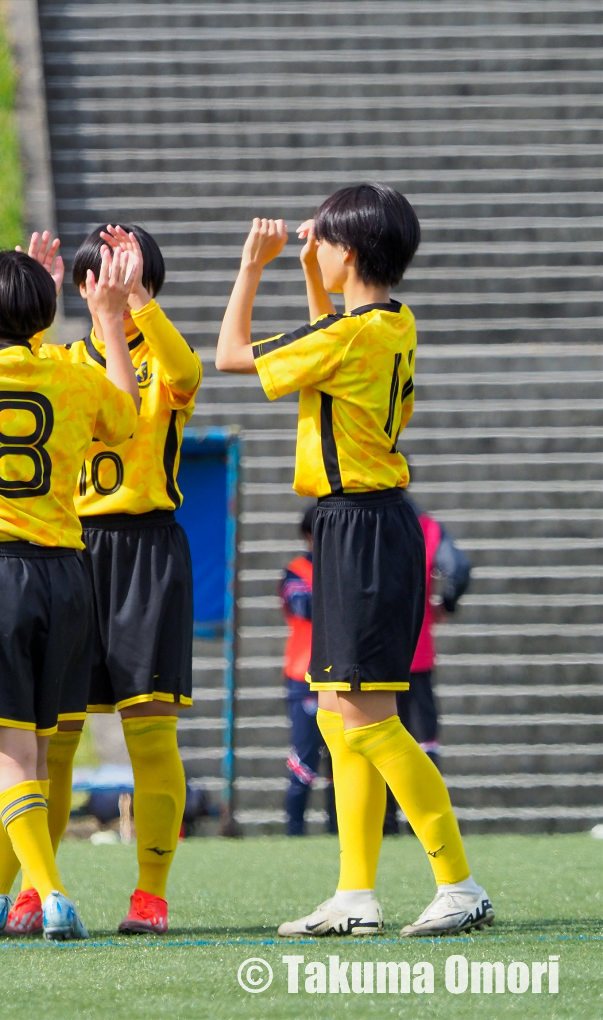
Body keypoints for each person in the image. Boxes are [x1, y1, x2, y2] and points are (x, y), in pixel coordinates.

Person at [215, 182, 493, 938]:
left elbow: (232, 354)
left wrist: (253, 265)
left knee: (369, 723)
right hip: (359, 526)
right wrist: (312, 268)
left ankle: (459, 883)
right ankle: (355, 895)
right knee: (341, 719)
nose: (320, 249)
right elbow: (330, 335)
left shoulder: (347, 336)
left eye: (328, 242)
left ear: (353, 251)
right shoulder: (390, 322)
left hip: (364, 529)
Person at [0, 240, 140, 941]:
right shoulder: (72, 379)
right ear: (45, 320)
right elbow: (127, 418)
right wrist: (107, 319)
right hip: (65, 576)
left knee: (12, 760)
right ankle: (1, 896)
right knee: (38, 753)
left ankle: (51, 893)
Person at [0, 223, 202, 937]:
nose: (118, 285)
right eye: (106, 274)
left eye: (134, 274)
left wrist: (136, 303)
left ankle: (150, 896)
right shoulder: (62, 360)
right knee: (55, 739)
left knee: (151, 736)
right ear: (80, 285)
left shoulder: (162, 354)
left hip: (147, 553)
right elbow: (6, 366)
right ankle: (31, 889)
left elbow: (189, 374)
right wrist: (31, 291)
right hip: (69, 553)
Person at [384, 490, 455, 833]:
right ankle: (426, 821)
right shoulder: (426, 526)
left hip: (378, 655)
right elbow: (458, 569)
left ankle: (385, 822)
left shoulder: (369, 523)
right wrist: (447, 603)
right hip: (418, 651)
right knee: (424, 741)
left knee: (381, 737)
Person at [279, 506, 337, 836]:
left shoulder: (343, 567)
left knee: (341, 762)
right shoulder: (295, 572)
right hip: (304, 677)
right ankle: (294, 832)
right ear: (308, 536)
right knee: (304, 760)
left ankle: (339, 832)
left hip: (340, 676)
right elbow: (304, 606)